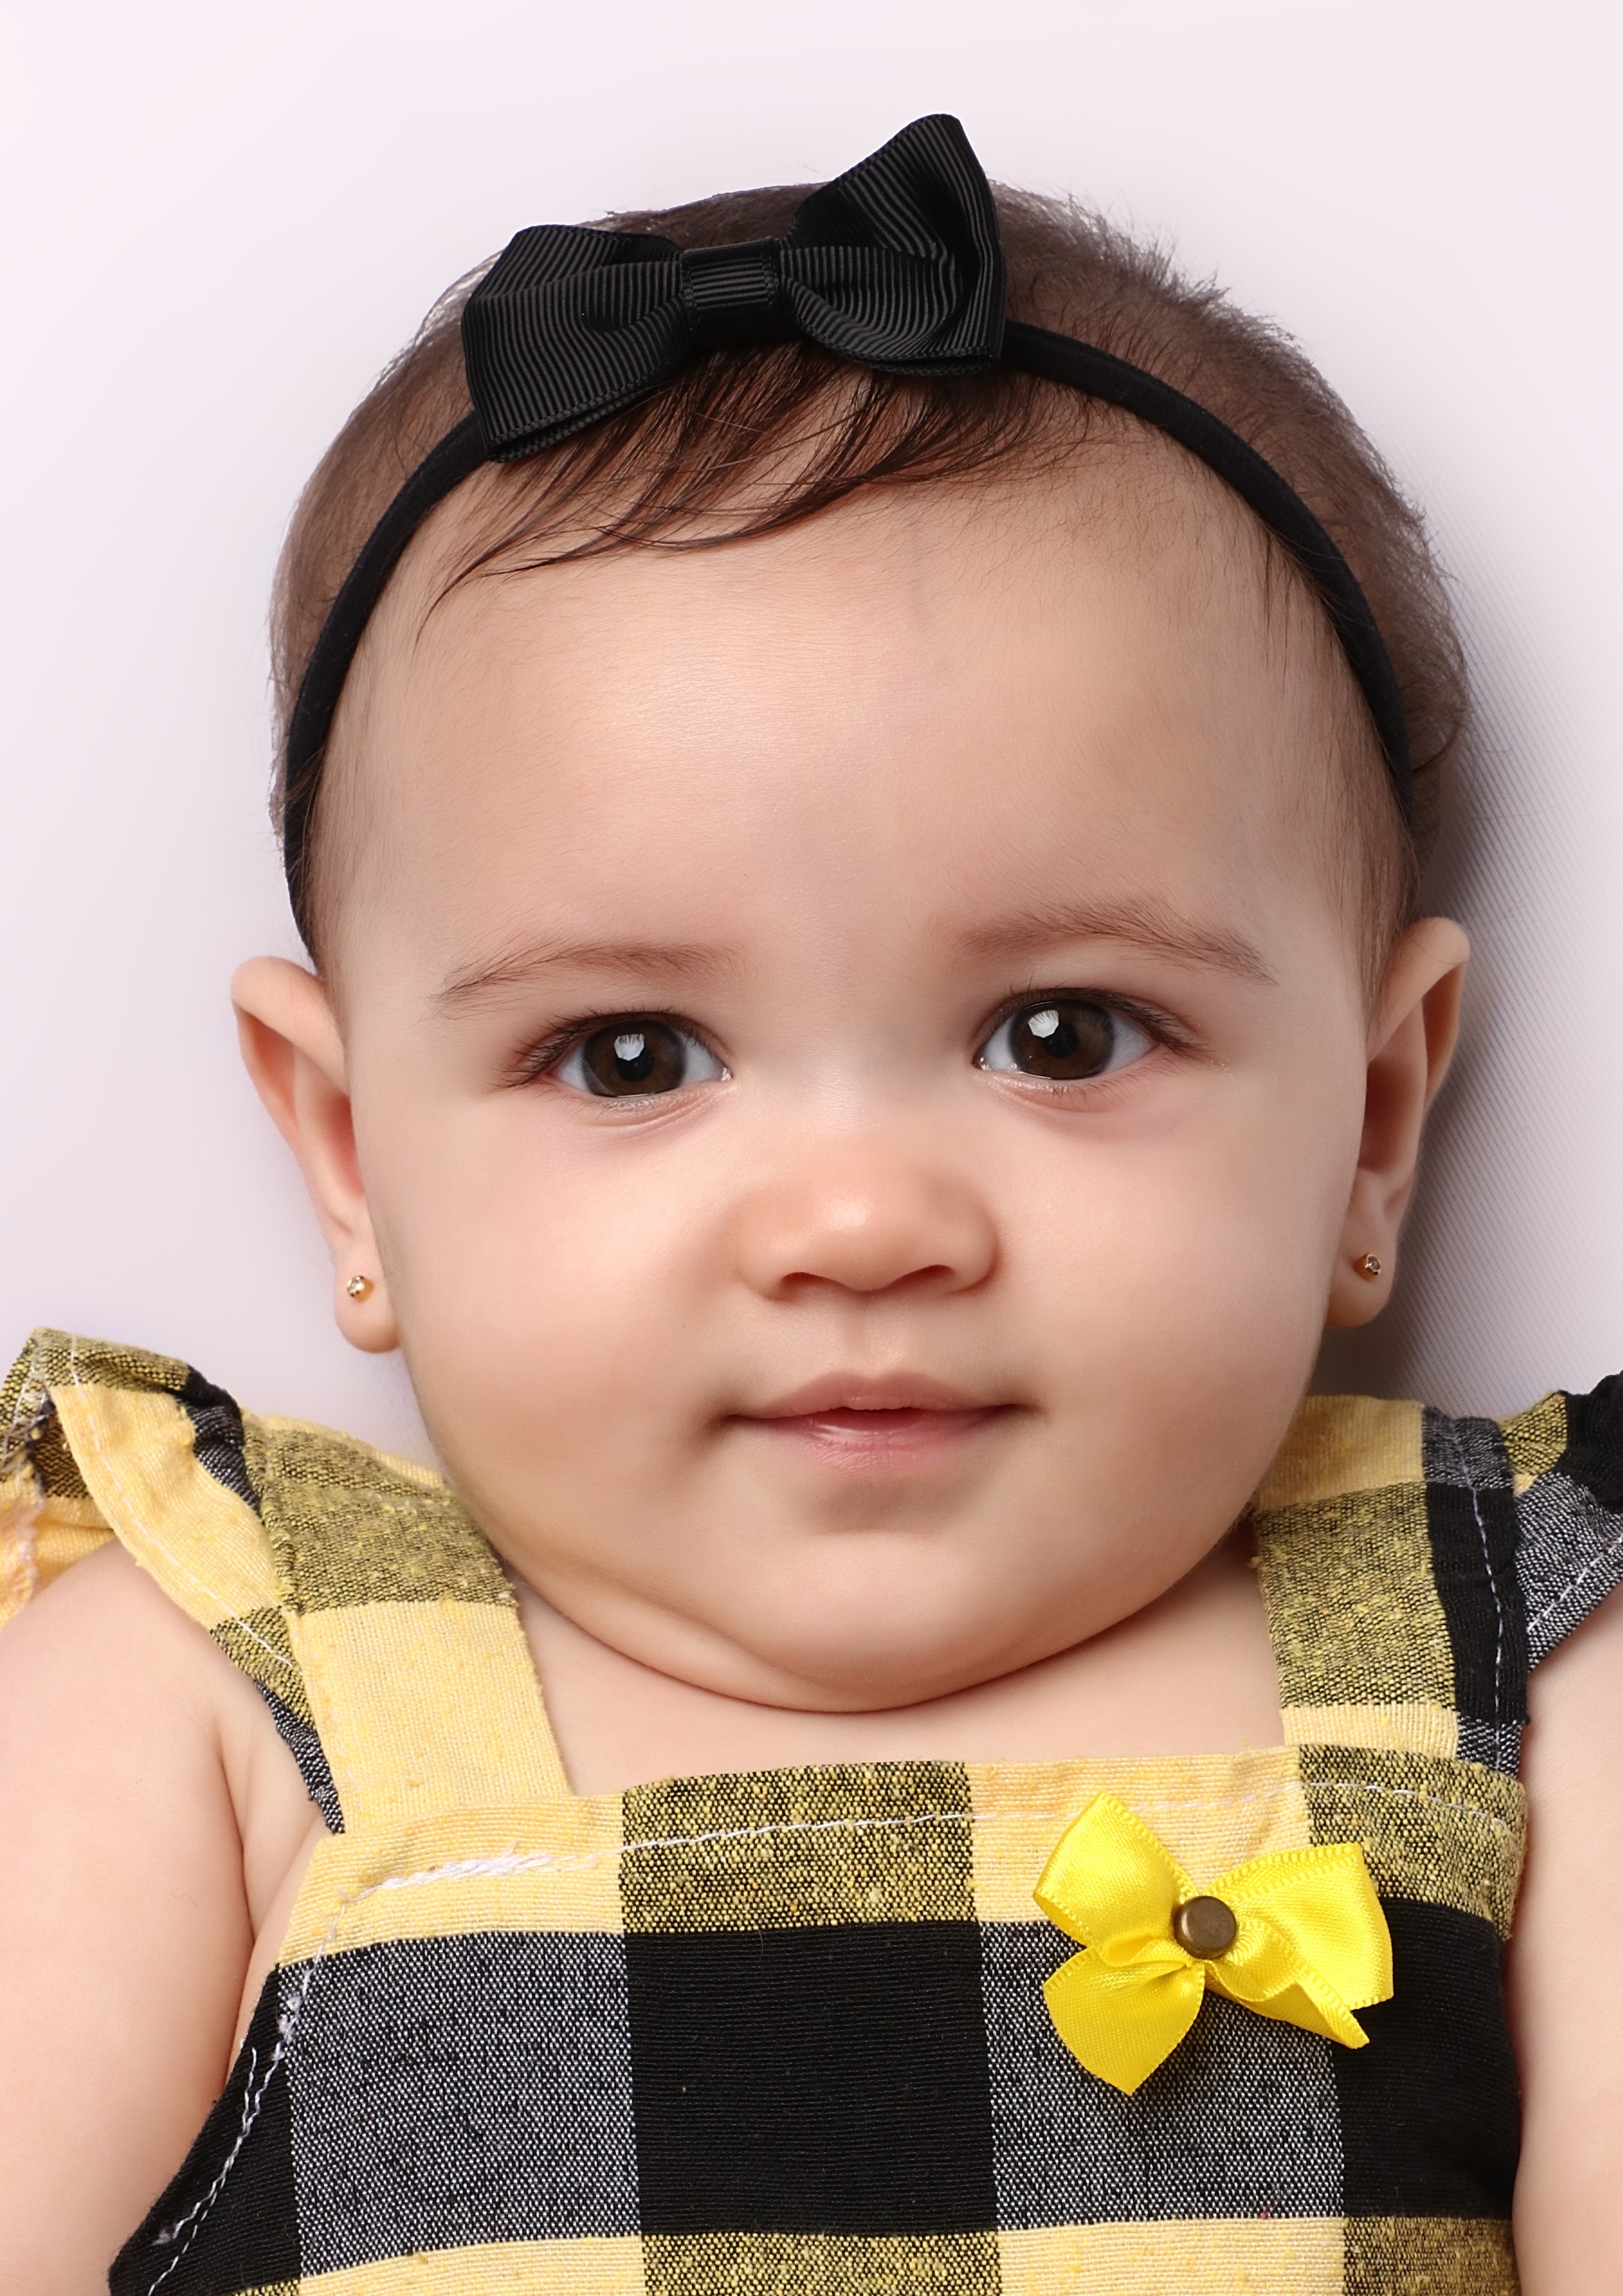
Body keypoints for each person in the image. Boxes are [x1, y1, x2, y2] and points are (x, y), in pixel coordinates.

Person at [1, 115, 1616, 2296]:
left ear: (1370, 1124)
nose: (859, 1225)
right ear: (352, 1154)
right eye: (630, 1057)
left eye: (1062, 1035)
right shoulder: (200, 1702)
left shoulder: (1525, 1660)